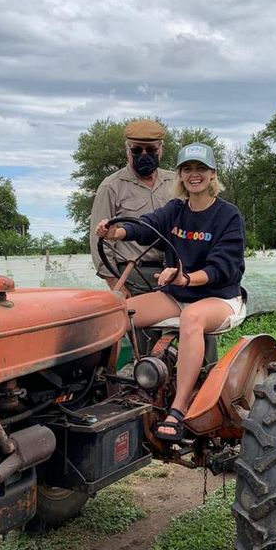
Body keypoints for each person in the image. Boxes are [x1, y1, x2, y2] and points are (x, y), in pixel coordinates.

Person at [96, 141, 245, 441]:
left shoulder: (228, 216)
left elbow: (222, 267)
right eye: (187, 169)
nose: (194, 175)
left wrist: (185, 278)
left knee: (192, 318)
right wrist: (115, 232)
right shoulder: (175, 210)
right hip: (177, 294)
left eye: (201, 169)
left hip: (219, 297)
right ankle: (104, 389)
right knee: (117, 312)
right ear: (179, 175)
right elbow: (145, 227)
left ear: (213, 174)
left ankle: (178, 408)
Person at [90, 119, 176, 296]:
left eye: (151, 149)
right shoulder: (111, 186)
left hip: (173, 275)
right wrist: (116, 284)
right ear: (127, 151)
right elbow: (98, 238)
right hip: (133, 275)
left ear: (161, 150)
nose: (144, 155)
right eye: (137, 150)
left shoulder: (176, 182)